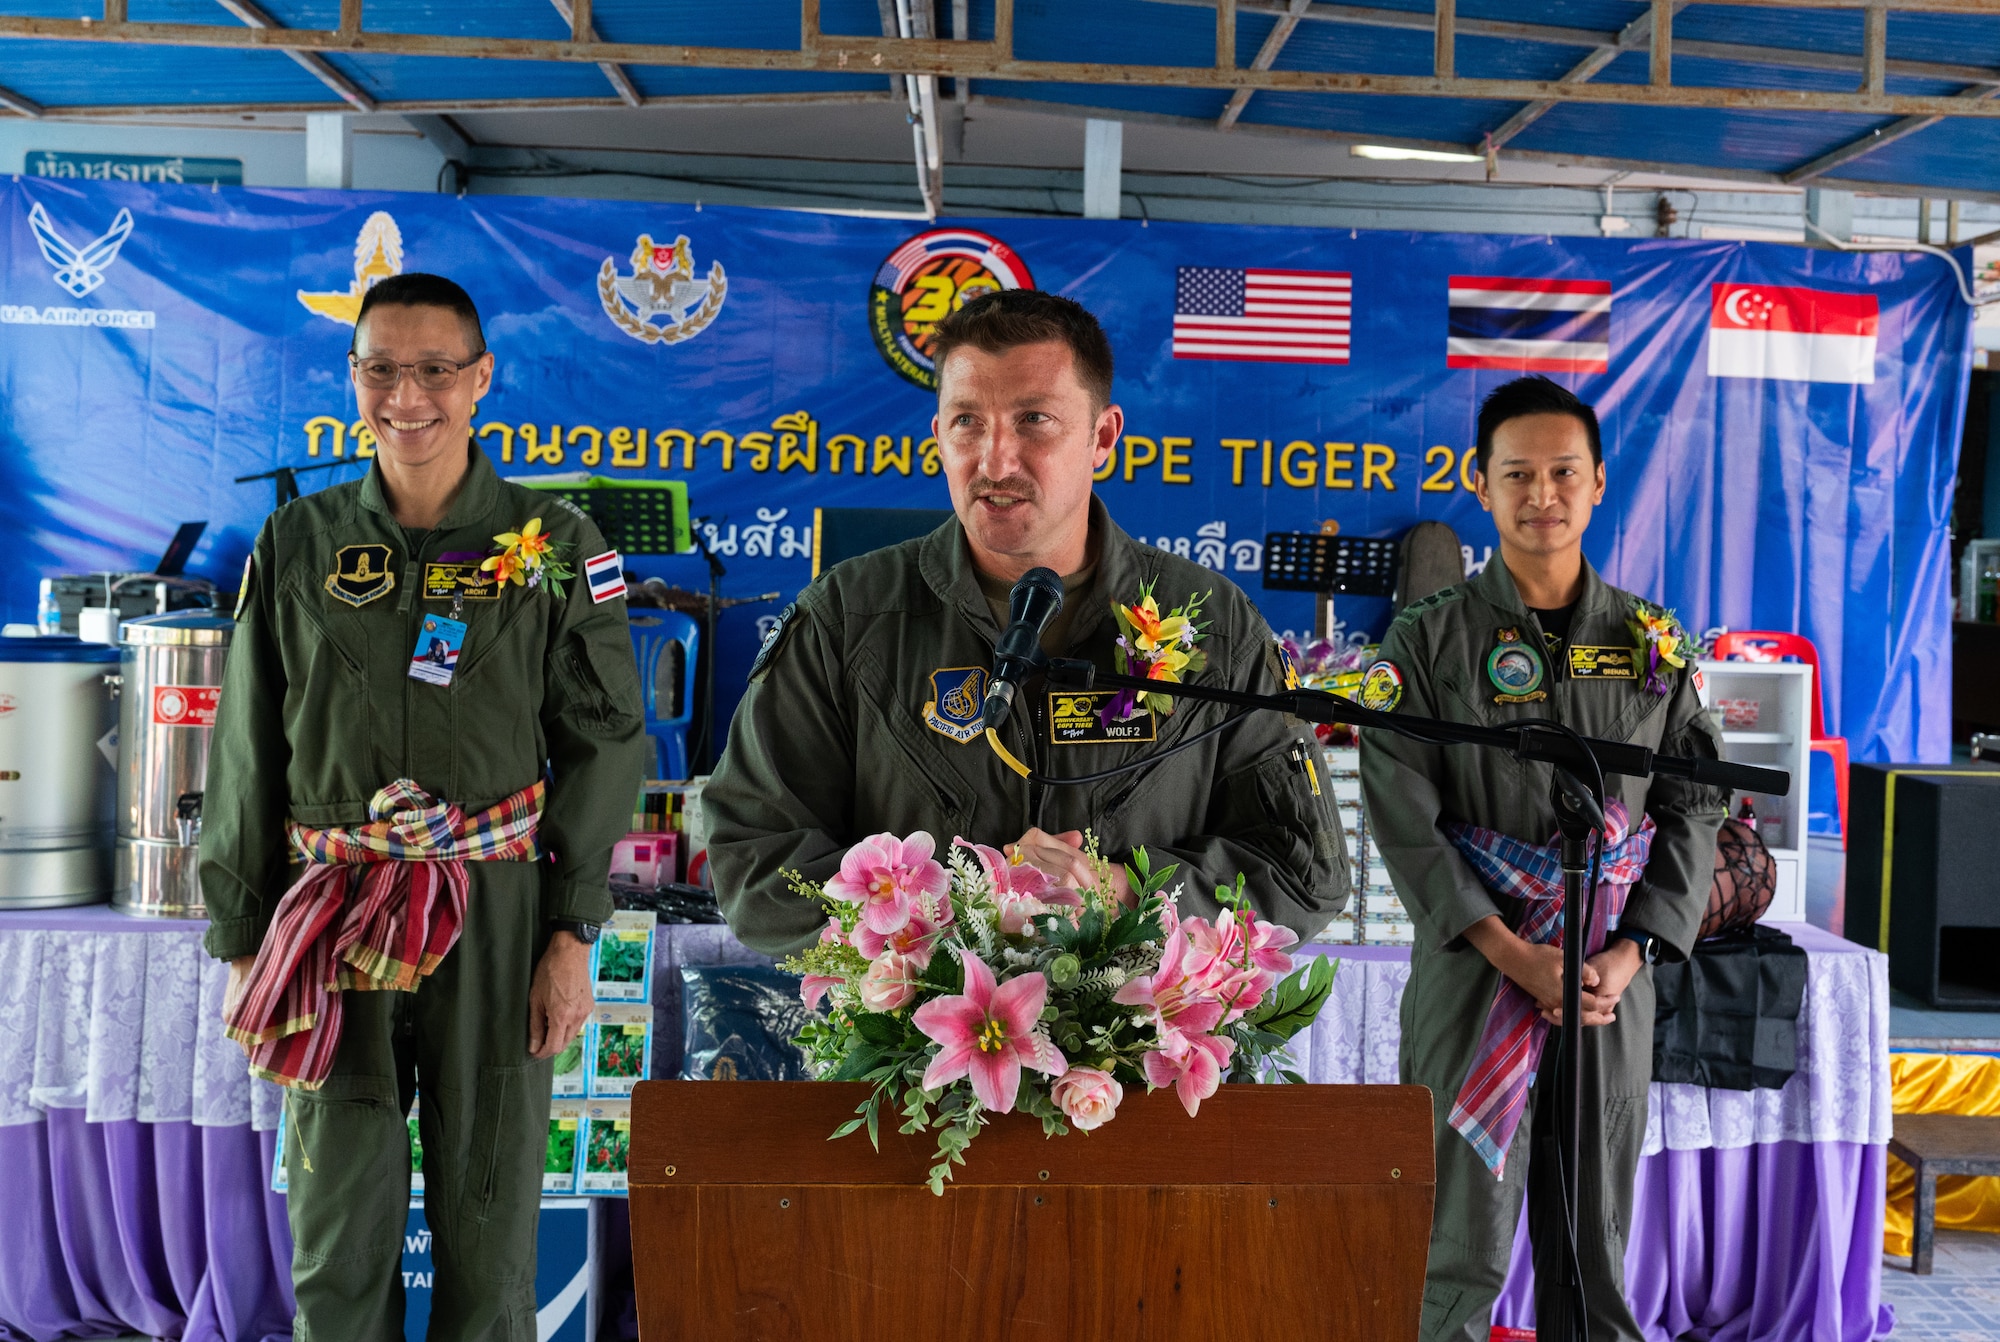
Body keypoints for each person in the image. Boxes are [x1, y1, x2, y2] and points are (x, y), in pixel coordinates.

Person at [200, 273, 647, 1342]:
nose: (408, 395)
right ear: (351, 378)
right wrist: (239, 925)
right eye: (380, 368)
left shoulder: (553, 541)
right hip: (332, 912)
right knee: (336, 1224)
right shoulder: (298, 543)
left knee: (488, 1221)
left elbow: (605, 739)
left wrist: (570, 930)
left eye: (434, 369)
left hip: (493, 910)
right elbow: (249, 741)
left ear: (480, 378)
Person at [706, 289, 1350, 954]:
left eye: (1033, 420)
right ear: (938, 437)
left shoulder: (1215, 627)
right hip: (921, 1048)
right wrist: (951, 920)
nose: (994, 461)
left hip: (1142, 1048)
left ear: (1102, 438)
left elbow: (1305, 873)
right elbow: (755, 862)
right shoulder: (847, 620)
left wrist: (1129, 896)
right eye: (966, 423)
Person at [1359, 376, 1726, 1342]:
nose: (1542, 494)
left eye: (1564, 472)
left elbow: (1694, 802)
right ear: (1479, 485)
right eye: (1516, 473)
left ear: (1599, 483)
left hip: (1608, 981)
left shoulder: (1651, 642)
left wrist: (1631, 952)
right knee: (1454, 1243)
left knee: (1593, 1238)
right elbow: (1403, 814)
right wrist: (1515, 953)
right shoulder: (1428, 638)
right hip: (1477, 974)